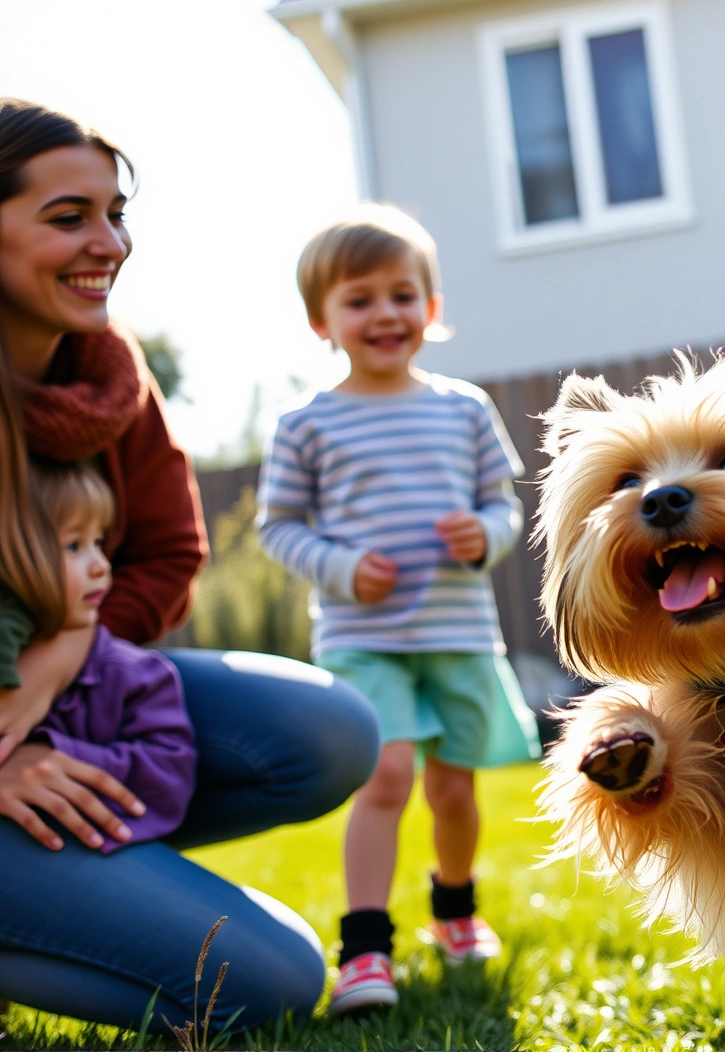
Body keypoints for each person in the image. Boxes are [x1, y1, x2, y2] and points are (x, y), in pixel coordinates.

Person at [0, 99, 380, 1031]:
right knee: (274, 982)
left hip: (57, 706)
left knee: (325, 726)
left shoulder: (110, 379)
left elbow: (171, 554)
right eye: (67, 217)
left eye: (114, 212)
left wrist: (51, 671)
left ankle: (71, 868)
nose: (109, 243)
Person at [259, 205, 537, 1015]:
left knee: (453, 790)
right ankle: (366, 950)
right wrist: (341, 566)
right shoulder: (306, 424)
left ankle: (456, 914)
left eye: (403, 295)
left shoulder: (464, 409)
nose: (385, 314)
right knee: (383, 779)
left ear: (432, 308)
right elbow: (278, 526)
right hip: (362, 638)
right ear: (323, 321)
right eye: (359, 300)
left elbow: (505, 506)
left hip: (455, 634)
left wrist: (481, 533)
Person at [16, 458, 196, 853]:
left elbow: (169, 776)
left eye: (99, 542)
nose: (101, 565)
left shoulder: (136, 675)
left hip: (94, 847)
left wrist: (55, 754)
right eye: (74, 545)